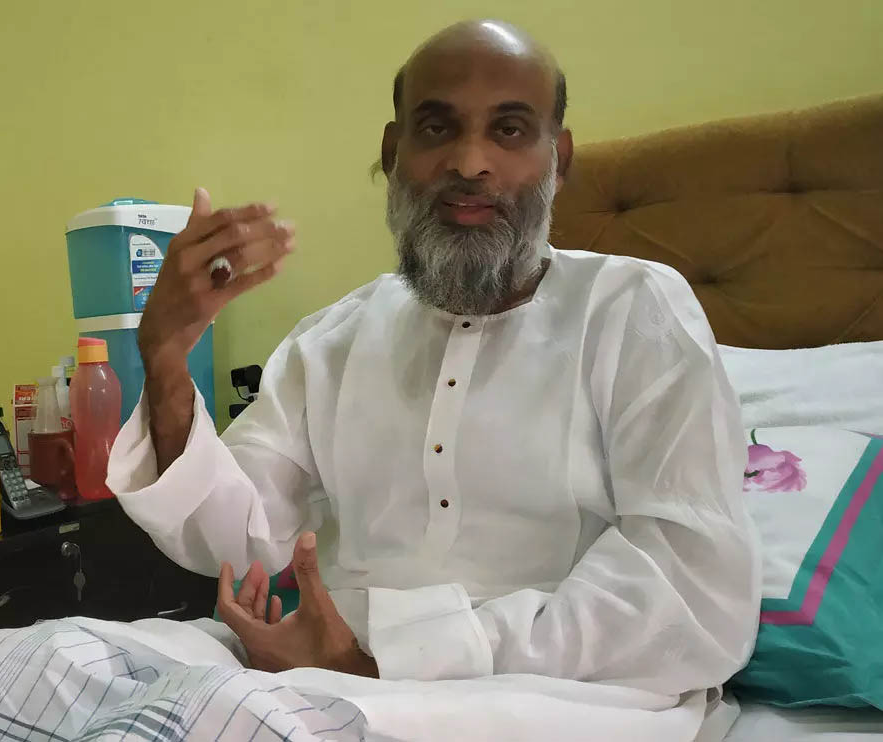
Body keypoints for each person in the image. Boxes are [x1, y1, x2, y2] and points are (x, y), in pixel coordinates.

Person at [109, 16, 760, 704]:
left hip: (553, 695)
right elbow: (233, 542)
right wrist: (166, 356)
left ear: (559, 159)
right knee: (53, 658)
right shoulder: (331, 340)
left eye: (509, 129)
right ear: (393, 152)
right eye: (437, 127)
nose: (470, 162)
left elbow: (692, 592)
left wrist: (382, 664)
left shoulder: (633, 311)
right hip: (317, 678)